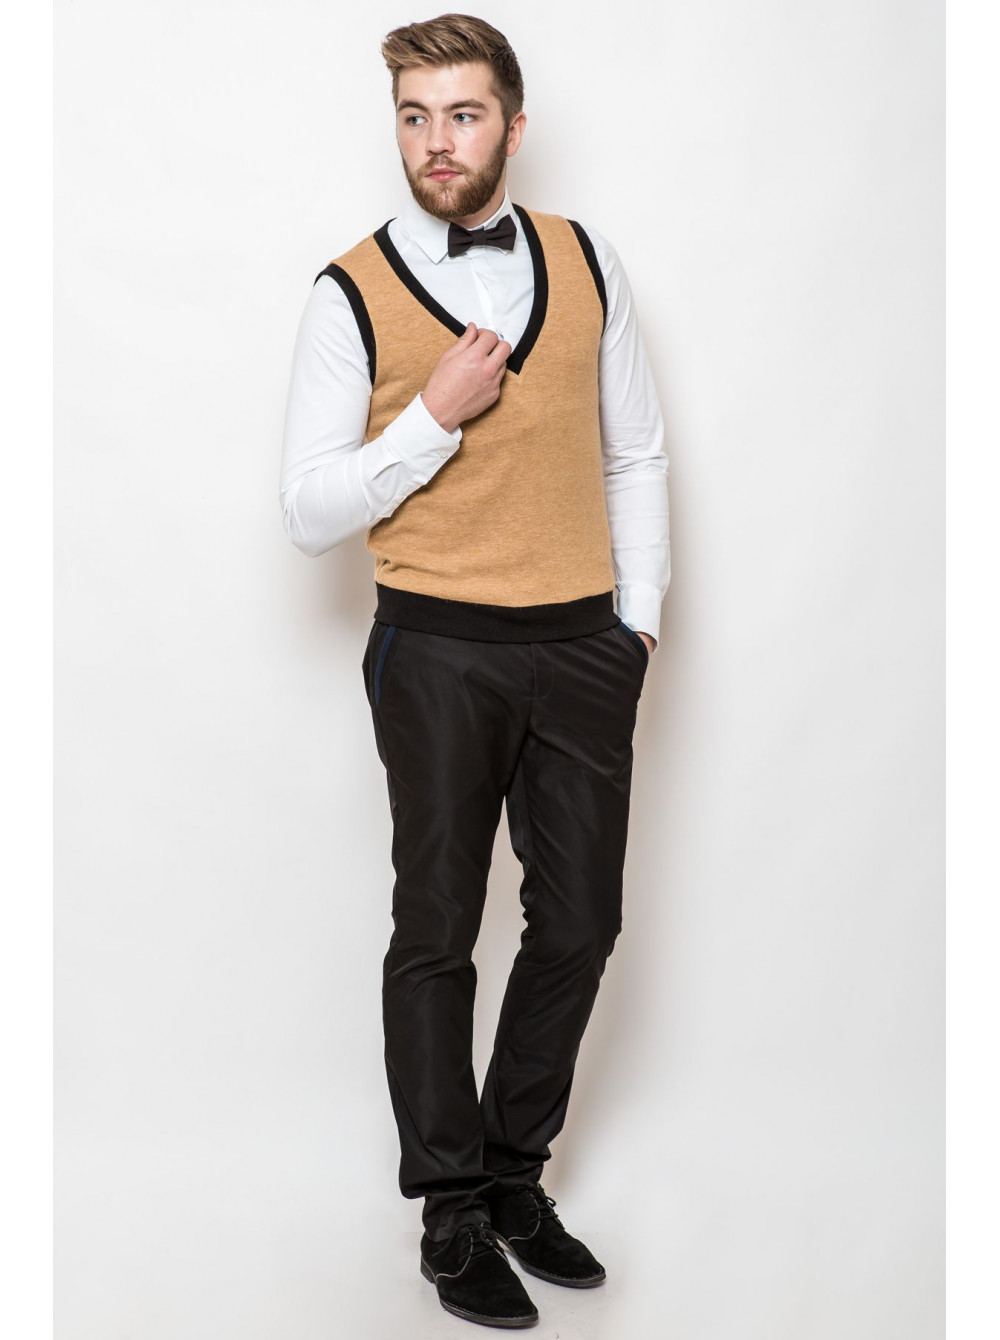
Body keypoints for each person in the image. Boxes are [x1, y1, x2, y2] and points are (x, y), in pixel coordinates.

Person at [279, 13, 670, 1330]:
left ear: (513, 123)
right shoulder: (347, 291)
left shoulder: (589, 261)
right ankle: (450, 1212)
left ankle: (514, 1174)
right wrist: (430, 421)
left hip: (582, 643)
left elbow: (635, 452)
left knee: (582, 922)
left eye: (461, 114)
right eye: (414, 117)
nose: (436, 143)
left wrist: (636, 620)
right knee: (438, 929)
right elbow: (308, 509)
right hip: (436, 646)